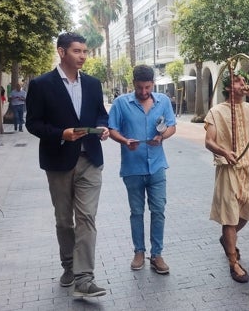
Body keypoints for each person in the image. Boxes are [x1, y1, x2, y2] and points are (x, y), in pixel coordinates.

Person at [25, 32, 110, 297]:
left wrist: (103, 128)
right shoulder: (41, 84)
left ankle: (84, 278)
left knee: (86, 217)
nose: (83, 56)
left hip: (90, 160)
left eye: (84, 51)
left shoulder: (94, 84)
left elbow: (101, 114)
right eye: (77, 51)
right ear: (61, 52)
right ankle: (69, 266)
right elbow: (33, 123)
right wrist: (61, 134)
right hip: (58, 161)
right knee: (64, 220)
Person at [204, 69, 249, 283]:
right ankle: (233, 261)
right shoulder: (216, 111)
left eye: (244, 80)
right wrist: (224, 152)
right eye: (237, 81)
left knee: (246, 213)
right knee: (229, 216)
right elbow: (209, 141)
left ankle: (227, 239)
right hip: (228, 169)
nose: (243, 83)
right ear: (227, 87)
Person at [108, 65, 176, 275]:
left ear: (152, 84)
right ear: (133, 83)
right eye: (140, 88)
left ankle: (156, 254)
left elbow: (172, 126)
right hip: (132, 168)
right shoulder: (121, 103)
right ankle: (139, 251)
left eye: (147, 87)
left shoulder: (163, 101)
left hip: (157, 166)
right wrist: (124, 140)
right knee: (136, 212)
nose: (144, 92)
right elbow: (112, 129)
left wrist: (162, 136)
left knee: (158, 211)